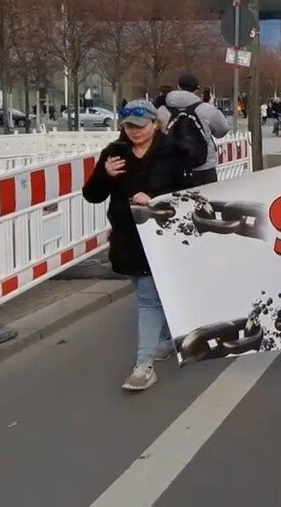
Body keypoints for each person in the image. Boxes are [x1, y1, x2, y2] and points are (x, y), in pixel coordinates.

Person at [82, 100, 189, 391]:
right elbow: (91, 194)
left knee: (149, 298)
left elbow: (188, 195)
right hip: (129, 237)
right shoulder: (114, 153)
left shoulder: (174, 153)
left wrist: (155, 197)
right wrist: (105, 175)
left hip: (165, 236)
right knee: (151, 294)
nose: (135, 132)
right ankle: (165, 341)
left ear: (155, 124)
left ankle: (144, 366)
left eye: (141, 126)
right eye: (129, 126)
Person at [157, 73, 230, 187]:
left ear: (178, 86)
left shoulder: (162, 110)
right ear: (197, 89)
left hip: (171, 167)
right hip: (204, 167)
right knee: (206, 202)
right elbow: (222, 130)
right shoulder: (206, 109)